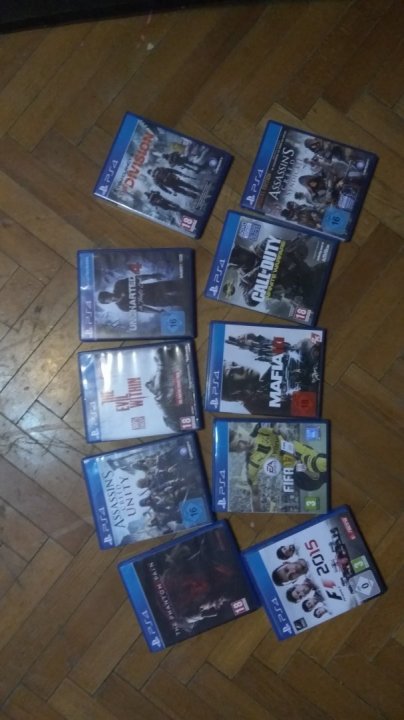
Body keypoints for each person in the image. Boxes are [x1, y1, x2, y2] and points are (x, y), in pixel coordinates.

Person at [98, 273, 184, 313]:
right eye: (107, 300)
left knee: (179, 285)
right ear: (108, 303)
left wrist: (152, 276)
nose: (110, 298)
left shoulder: (119, 285)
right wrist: (157, 312)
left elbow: (137, 279)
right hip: (155, 300)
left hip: (155, 288)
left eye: (108, 296)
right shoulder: (122, 307)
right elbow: (142, 309)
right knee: (180, 301)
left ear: (108, 292)